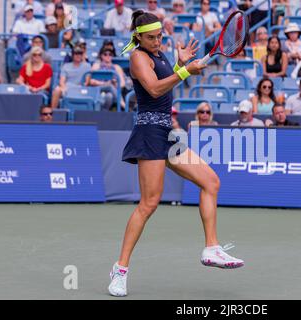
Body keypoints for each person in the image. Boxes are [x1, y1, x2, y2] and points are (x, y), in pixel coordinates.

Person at [108, 11, 242, 298]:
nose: (157, 41)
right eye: (151, 38)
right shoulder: (138, 58)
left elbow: (169, 83)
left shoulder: (161, 54)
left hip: (168, 134)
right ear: (138, 37)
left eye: (159, 36)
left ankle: (211, 247)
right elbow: (155, 90)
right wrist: (184, 71)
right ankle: (120, 270)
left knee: (211, 182)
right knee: (149, 204)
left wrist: (180, 63)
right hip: (149, 134)